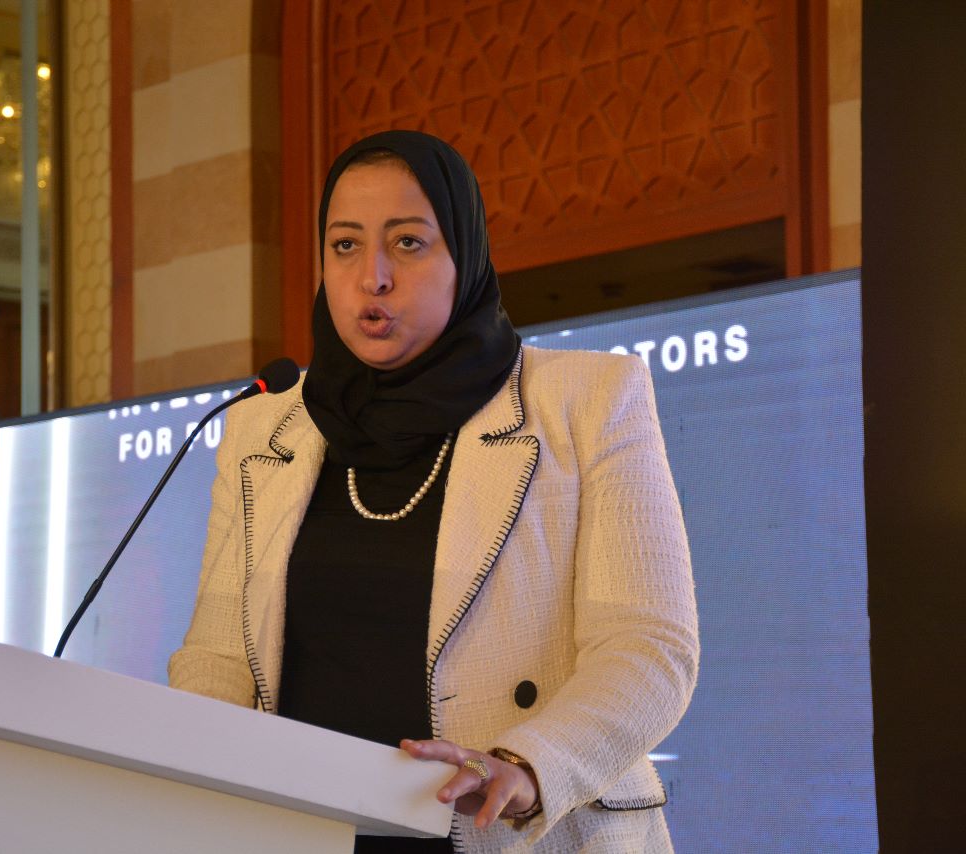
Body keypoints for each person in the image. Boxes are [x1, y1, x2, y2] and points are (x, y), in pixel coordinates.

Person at [168, 130, 699, 853]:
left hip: (510, 832)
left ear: (465, 256)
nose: (373, 277)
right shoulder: (264, 427)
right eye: (345, 245)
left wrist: (527, 766)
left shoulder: (588, 401)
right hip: (308, 833)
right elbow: (218, 660)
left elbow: (648, 647)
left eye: (408, 243)